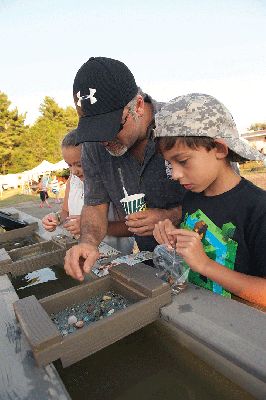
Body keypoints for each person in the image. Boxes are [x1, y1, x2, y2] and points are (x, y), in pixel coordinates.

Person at [64, 57, 186, 281]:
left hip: (208, 258)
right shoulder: (93, 144)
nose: (103, 140)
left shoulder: (181, 123)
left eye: (112, 128)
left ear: (138, 105)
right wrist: (88, 242)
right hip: (152, 263)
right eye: (95, 130)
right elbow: (95, 204)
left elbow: (224, 196)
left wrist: (171, 214)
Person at [153, 93, 266, 307]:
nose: (175, 174)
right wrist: (175, 238)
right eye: (170, 164)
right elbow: (197, 248)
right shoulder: (191, 199)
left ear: (220, 149)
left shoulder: (258, 209)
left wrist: (205, 265)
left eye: (183, 161)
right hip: (197, 316)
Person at [42, 129, 134, 254]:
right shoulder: (72, 180)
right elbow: (65, 212)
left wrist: (89, 227)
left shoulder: (113, 181)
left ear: (92, 157)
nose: (74, 171)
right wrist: (56, 218)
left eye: (79, 164)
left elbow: (130, 227)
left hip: (114, 254)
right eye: (69, 165)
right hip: (84, 252)